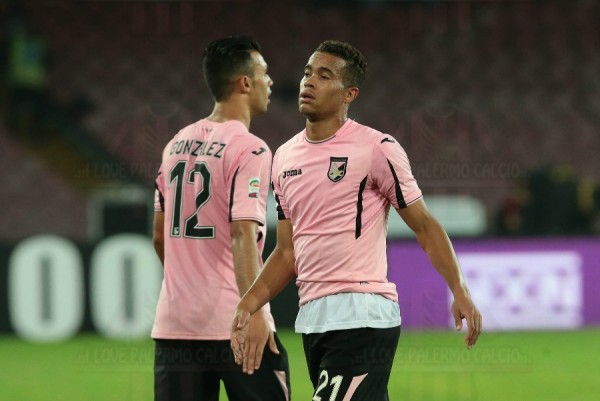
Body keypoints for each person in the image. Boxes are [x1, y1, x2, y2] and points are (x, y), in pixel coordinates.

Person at [231, 40, 482, 401]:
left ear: (349, 94)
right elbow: (287, 252)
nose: (309, 82)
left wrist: (459, 288)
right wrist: (248, 303)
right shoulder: (284, 158)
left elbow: (425, 225)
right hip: (314, 320)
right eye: (307, 73)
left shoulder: (376, 148)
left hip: (362, 315)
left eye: (324, 76)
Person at [152, 35, 290, 401]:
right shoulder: (250, 149)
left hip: (175, 327)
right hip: (234, 322)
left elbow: (159, 237)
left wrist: (189, 282)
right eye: (264, 73)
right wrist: (253, 312)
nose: (270, 81)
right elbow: (242, 233)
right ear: (245, 83)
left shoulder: (175, 145)